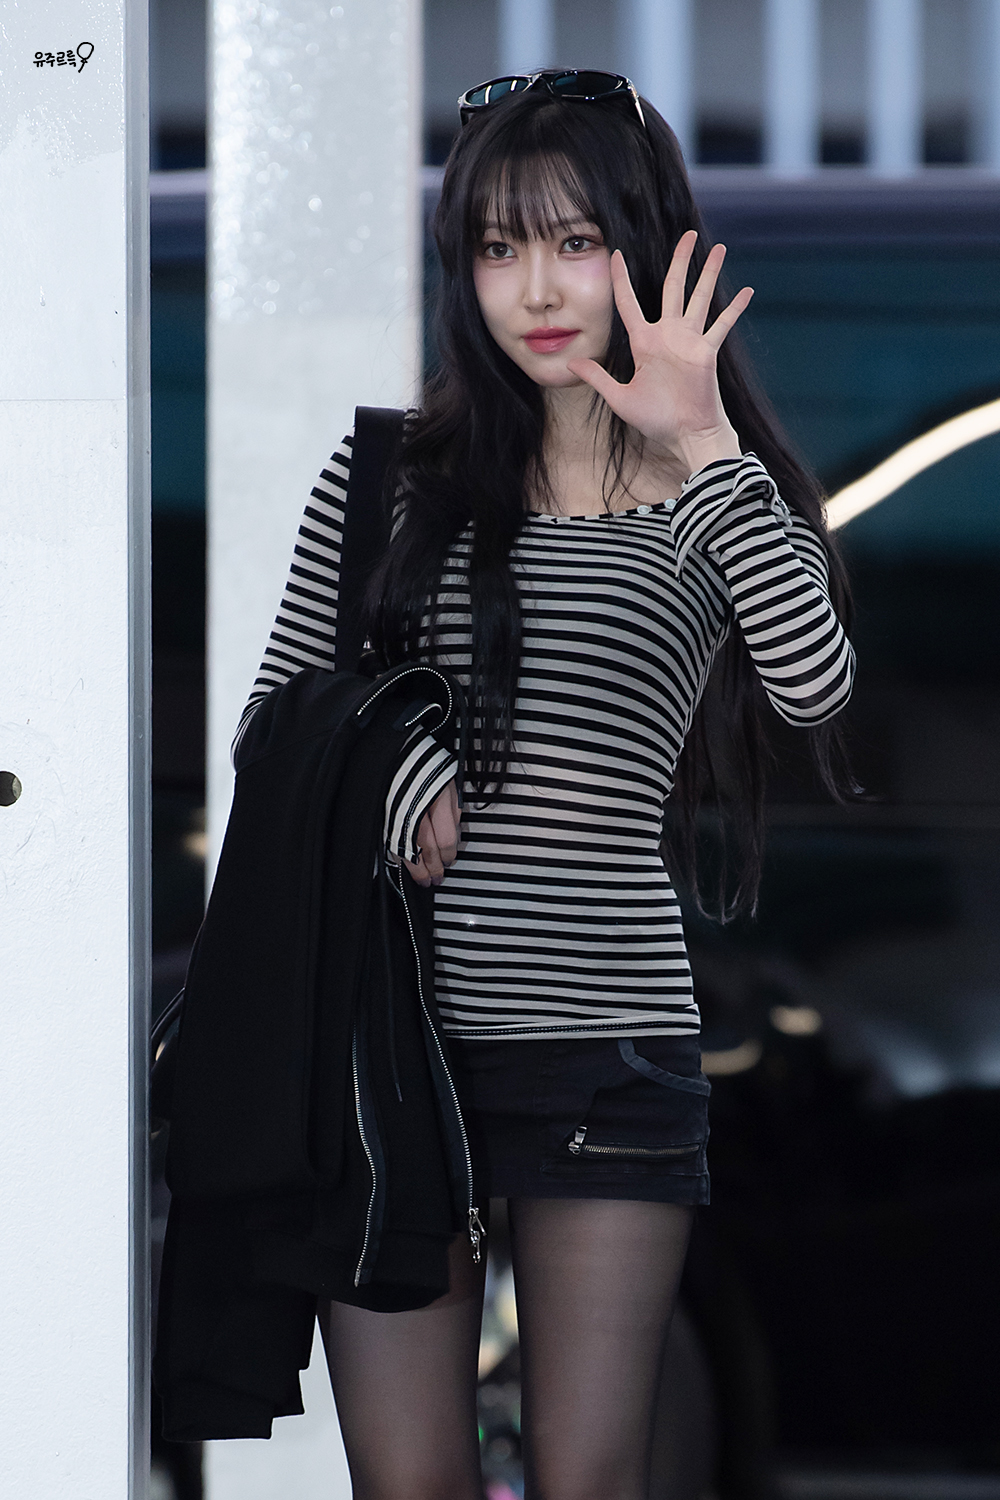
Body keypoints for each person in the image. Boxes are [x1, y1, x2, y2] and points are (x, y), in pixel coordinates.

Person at [237, 70, 855, 1500]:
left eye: (575, 242)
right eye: (497, 246)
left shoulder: (711, 491)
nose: (535, 288)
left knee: (588, 1480)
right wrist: (398, 771)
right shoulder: (390, 480)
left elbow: (815, 685)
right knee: (409, 1485)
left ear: (646, 248)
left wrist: (705, 440)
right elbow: (277, 722)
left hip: (606, 1040)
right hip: (393, 1051)